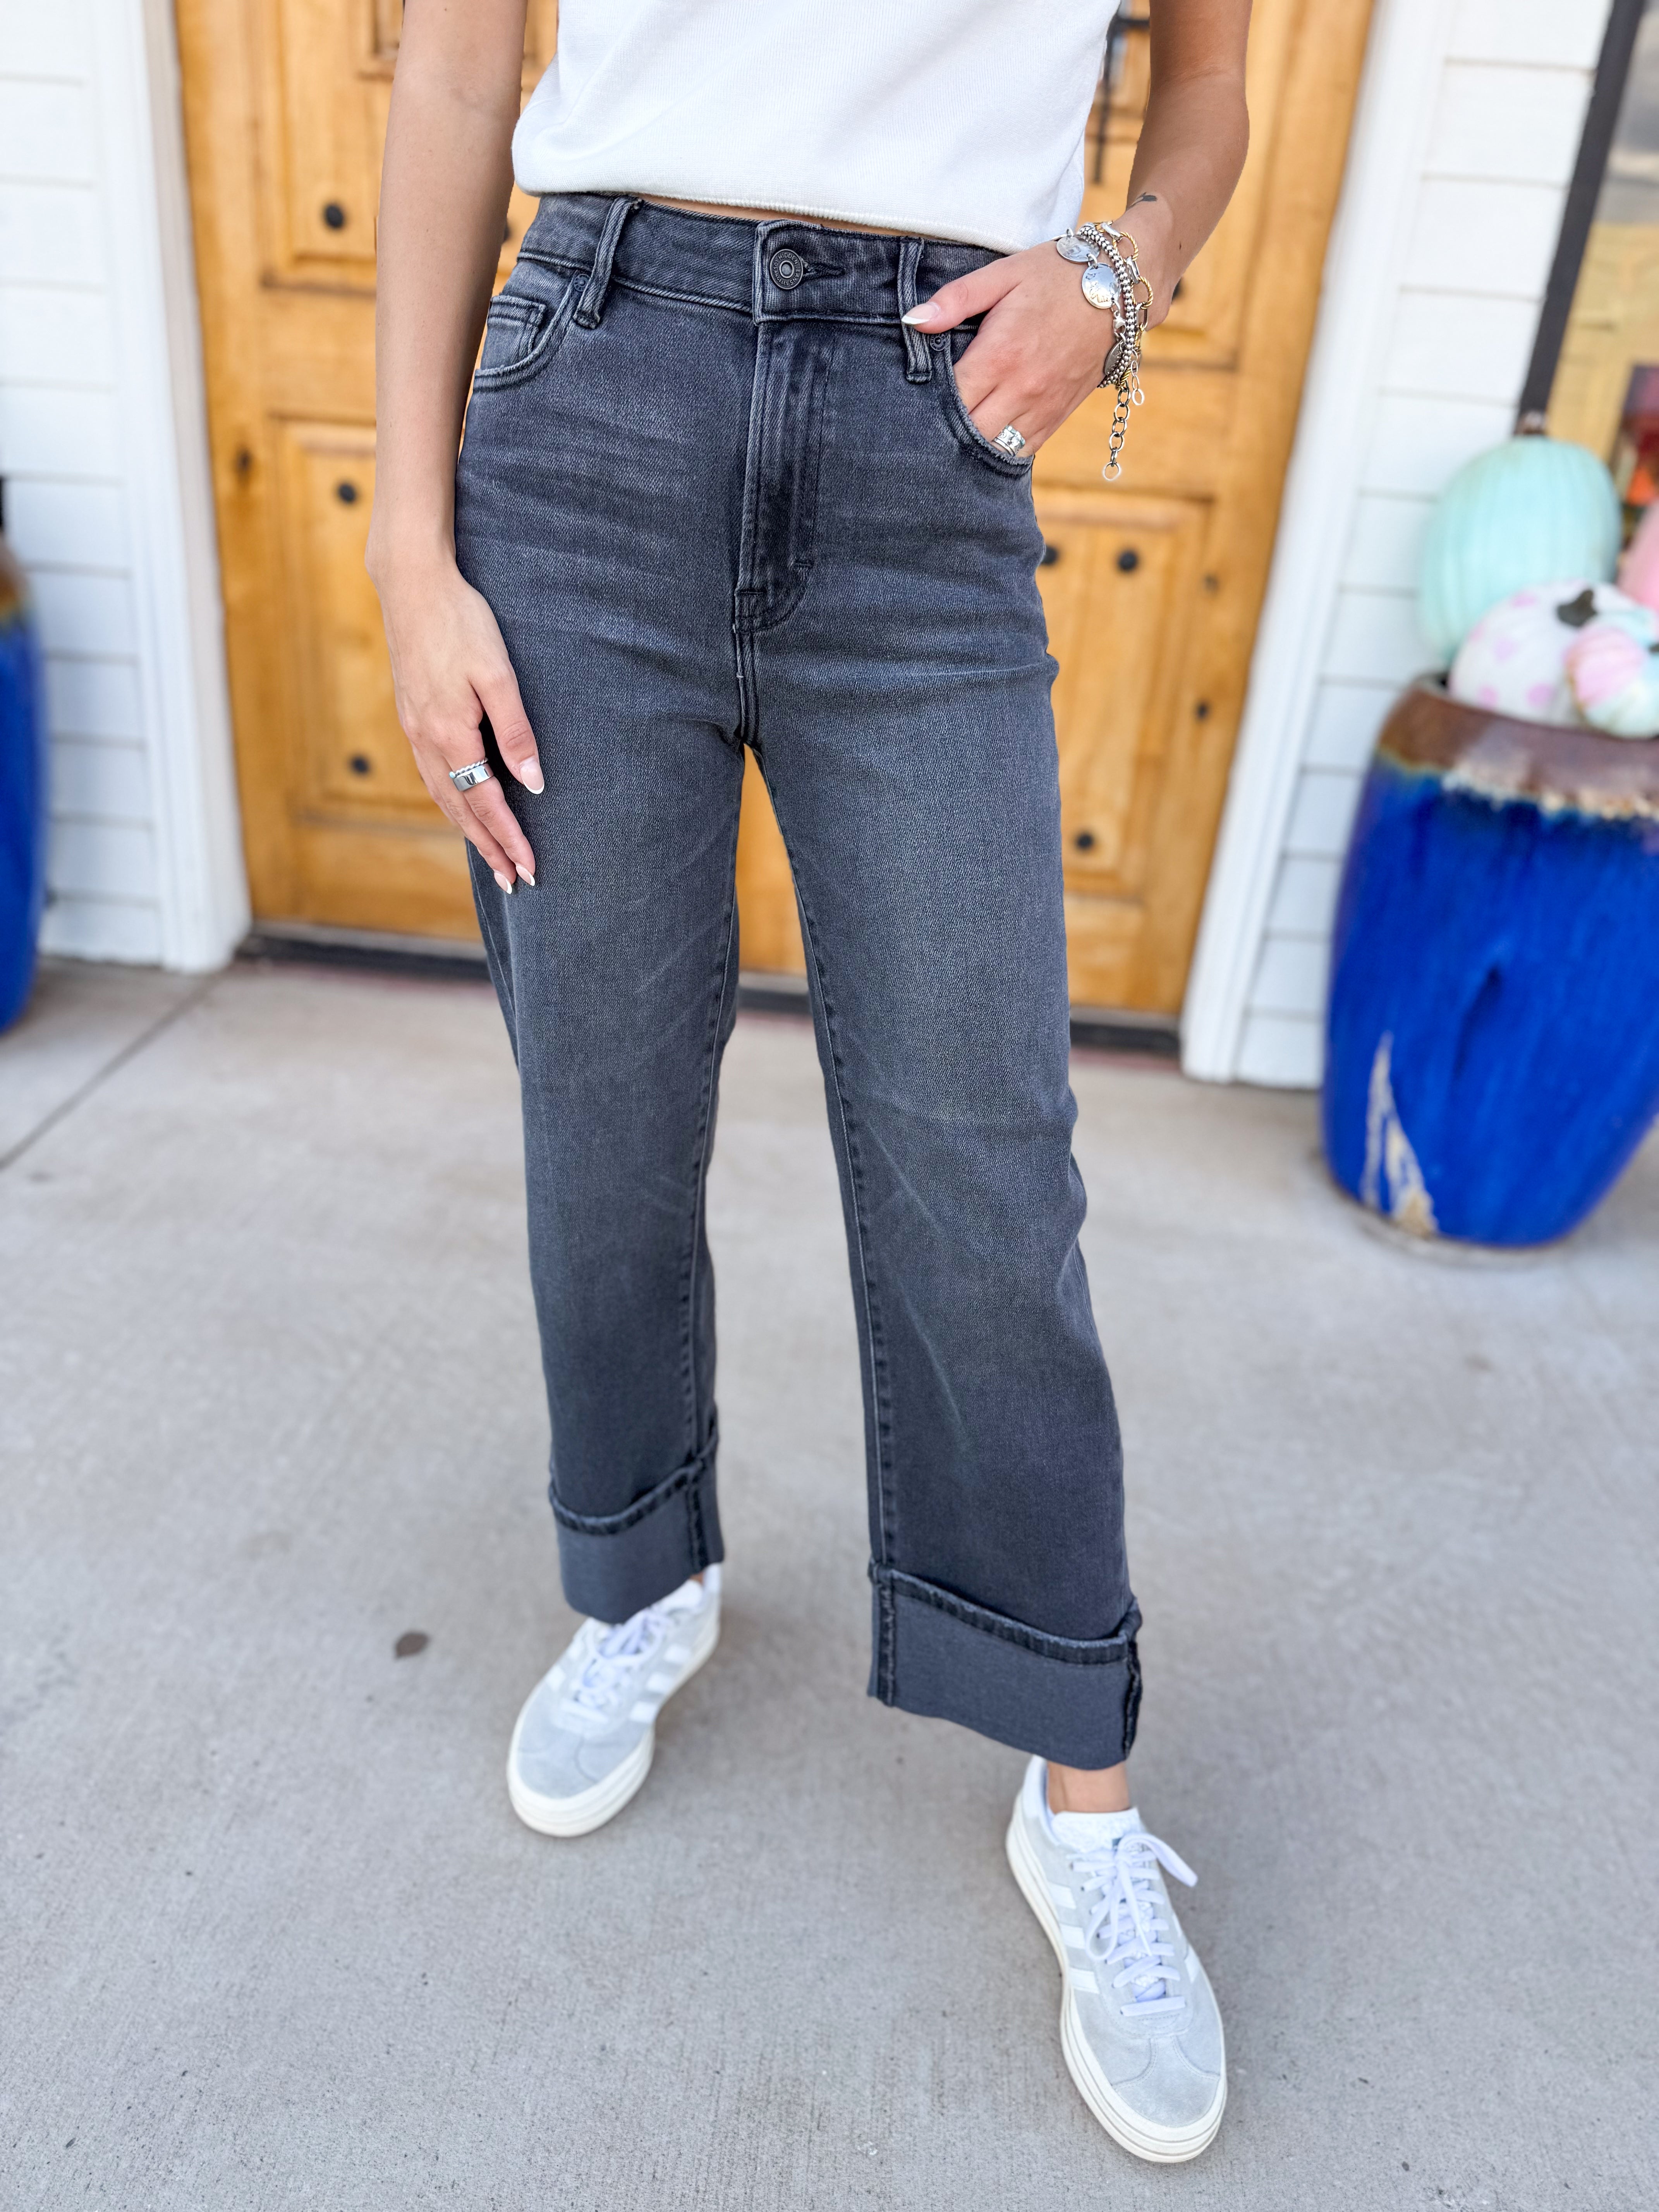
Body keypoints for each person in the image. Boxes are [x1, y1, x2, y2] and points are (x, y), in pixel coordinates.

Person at [368, 0, 1251, 2164]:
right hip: (594, 394)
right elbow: (461, 71)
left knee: (986, 1171)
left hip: (926, 437)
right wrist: (408, 548)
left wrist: (1119, 268)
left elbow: (1216, 91)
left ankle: (1081, 1793)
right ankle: (638, 1571)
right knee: (598, 1115)